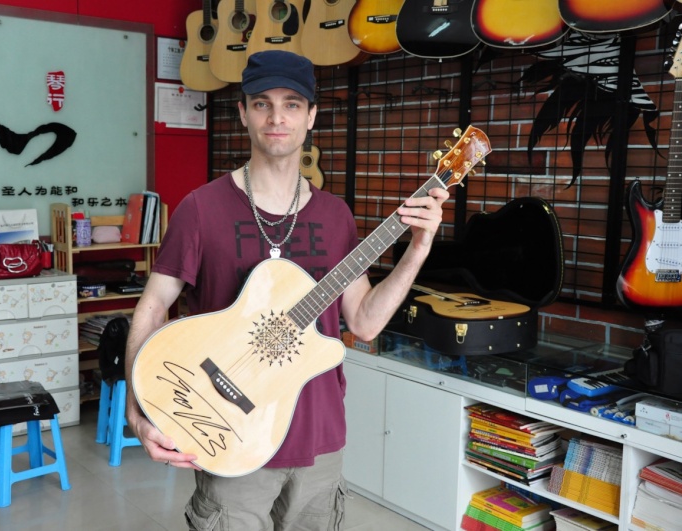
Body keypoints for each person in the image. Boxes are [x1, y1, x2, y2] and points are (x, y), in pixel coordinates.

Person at [124, 50, 450, 530]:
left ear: (311, 116)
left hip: (319, 441)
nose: (277, 117)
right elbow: (152, 307)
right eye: (263, 103)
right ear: (243, 113)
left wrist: (418, 249)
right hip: (229, 436)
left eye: (292, 104)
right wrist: (137, 411)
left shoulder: (335, 216)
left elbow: (364, 322)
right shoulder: (201, 208)